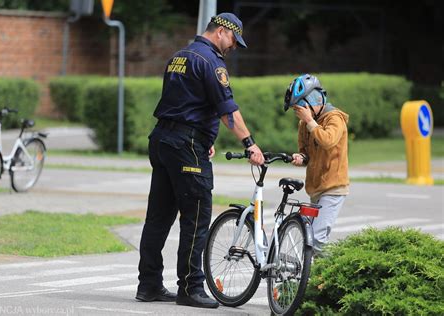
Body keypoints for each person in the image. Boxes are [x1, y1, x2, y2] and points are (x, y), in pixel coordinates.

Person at [135, 13, 264, 309]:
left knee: (158, 217)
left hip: (164, 140)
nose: (233, 46)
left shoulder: (179, 56)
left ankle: (149, 285)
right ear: (221, 31)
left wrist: (203, 139)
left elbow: (185, 103)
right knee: (196, 218)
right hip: (185, 145)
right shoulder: (211, 62)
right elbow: (228, 112)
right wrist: (250, 144)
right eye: (233, 40)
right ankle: (191, 287)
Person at [284, 74, 349, 255]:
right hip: (315, 188)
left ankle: (333, 275)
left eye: (301, 107)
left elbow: (328, 140)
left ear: (314, 100)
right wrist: (301, 157)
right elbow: (307, 152)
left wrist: (311, 122)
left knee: (317, 240)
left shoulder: (334, 119)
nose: (299, 112)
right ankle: (319, 280)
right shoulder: (304, 124)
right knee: (310, 238)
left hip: (333, 187)